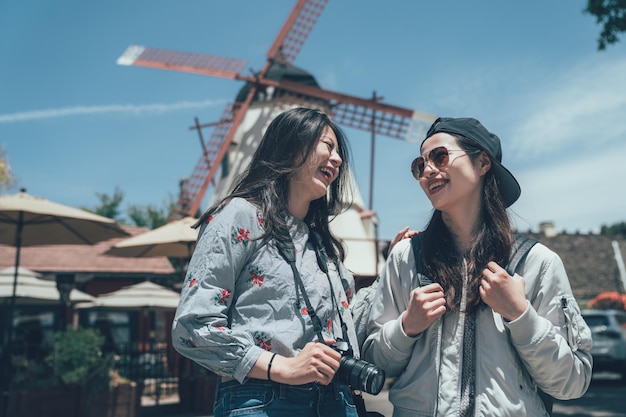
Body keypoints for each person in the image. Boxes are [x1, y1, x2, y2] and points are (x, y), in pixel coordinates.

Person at [360, 117, 593, 417]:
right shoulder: (405, 257)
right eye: (420, 165)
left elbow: (572, 383)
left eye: (440, 156)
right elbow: (374, 366)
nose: (428, 170)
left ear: (483, 162)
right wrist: (406, 327)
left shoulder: (538, 262)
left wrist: (522, 317)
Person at [172, 107, 361, 417]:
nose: (338, 160)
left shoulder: (324, 248)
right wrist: (283, 367)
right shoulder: (241, 215)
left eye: (339, 152)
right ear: (292, 143)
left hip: (335, 401)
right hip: (265, 399)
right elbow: (192, 326)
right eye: (328, 145)